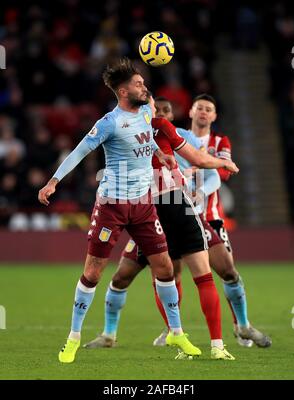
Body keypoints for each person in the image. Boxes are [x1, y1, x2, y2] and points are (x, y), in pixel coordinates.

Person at [38, 58, 202, 363]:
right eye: (139, 84)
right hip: (111, 207)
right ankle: (73, 338)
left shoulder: (144, 112)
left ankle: (177, 333)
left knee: (165, 268)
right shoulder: (108, 123)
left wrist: (161, 156)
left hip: (143, 206)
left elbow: (147, 140)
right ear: (124, 90)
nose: (145, 87)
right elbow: (79, 151)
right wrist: (53, 182)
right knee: (93, 272)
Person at [83, 96, 239, 360]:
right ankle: (214, 345)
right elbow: (198, 160)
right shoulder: (159, 127)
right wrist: (222, 163)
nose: (158, 111)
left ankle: (186, 339)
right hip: (170, 204)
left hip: (146, 207)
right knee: (199, 275)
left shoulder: (120, 128)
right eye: (155, 106)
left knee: (163, 277)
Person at [174, 94, 272, 348]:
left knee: (227, 271)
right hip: (178, 215)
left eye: (209, 109)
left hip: (210, 217)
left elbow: (223, 173)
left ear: (214, 116)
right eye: (200, 108)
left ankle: (242, 326)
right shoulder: (178, 137)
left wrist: (200, 181)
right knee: (169, 272)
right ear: (191, 112)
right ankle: (172, 330)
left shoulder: (220, 141)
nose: (204, 112)